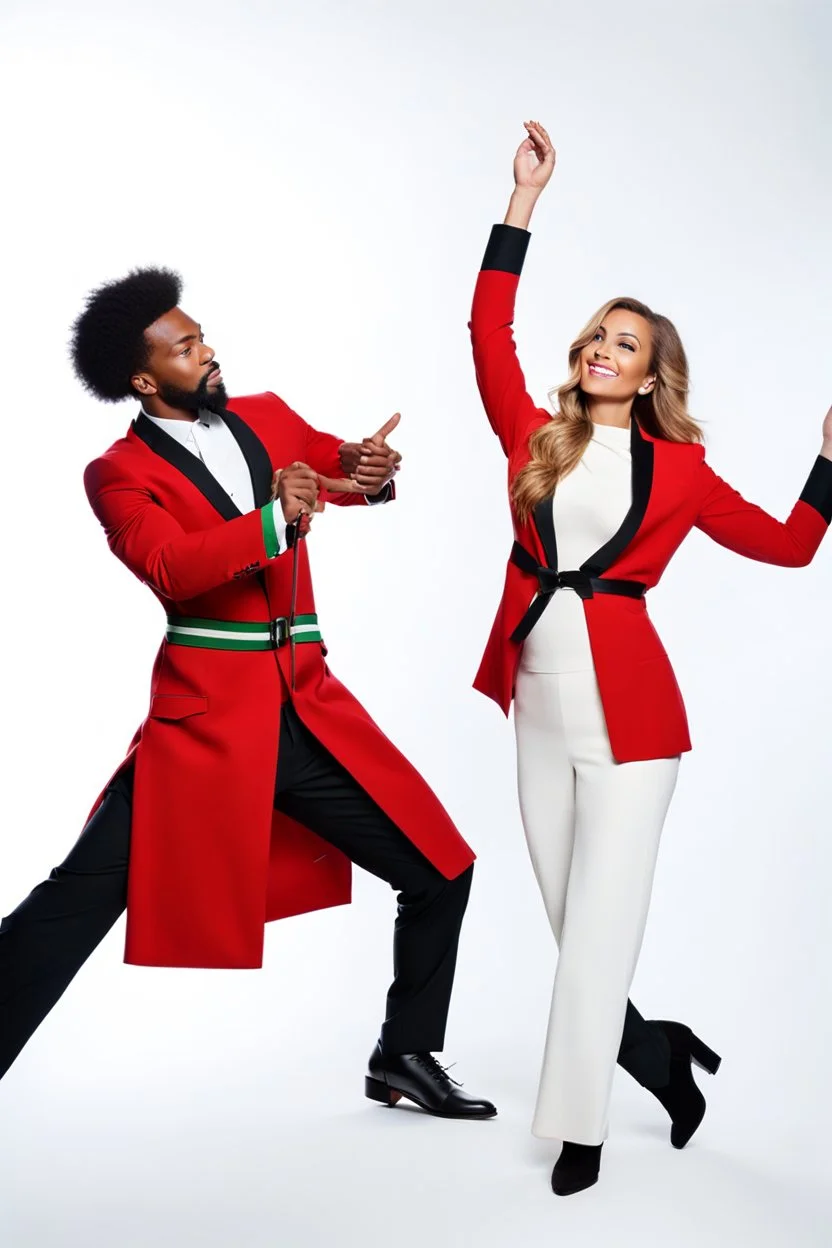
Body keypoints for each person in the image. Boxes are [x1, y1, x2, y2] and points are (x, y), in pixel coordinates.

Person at [0, 266, 496, 1123]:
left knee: (441, 867)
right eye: (187, 346)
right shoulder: (114, 474)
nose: (209, 349)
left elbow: (341, 472)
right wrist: (274, 519)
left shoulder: (265, 415)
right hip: (201, 733)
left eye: (203, 334)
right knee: (73, 903)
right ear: (147, 379)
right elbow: (171, 567)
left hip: (307, 711)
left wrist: (372, 471)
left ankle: (404, 1054)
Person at [469, 120, 832, 1194]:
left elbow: (788, 545)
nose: (601, 350)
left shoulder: (680, 470)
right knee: (569, 922)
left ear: (653, 370)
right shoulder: (534, 434)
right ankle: (659, 1053)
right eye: (596, 335)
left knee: (598, 933)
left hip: (634, 723)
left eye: (625, 343)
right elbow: (486, 327)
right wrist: (521, 203)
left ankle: (576, 1130)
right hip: (535, 700)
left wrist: (824, 466)